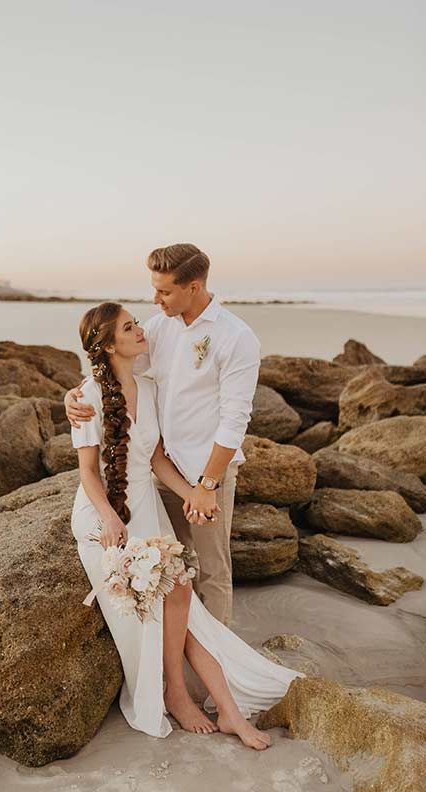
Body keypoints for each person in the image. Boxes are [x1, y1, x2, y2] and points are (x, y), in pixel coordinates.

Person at [71, 301, 304, 747]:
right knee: (177, 593)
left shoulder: (147, 386)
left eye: (137, 322)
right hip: (105, 514)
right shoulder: (87, 398)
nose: (142, 328)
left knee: (183, 601)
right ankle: (178, 695)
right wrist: (111, 521)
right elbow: (87, 473)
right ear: (108, 344)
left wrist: (195, 494)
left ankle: (227, 711)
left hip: (146, 505)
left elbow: (156, 459)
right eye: (129, 326)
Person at [66, 243, 260, 628]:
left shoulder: (235, 337)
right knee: (175, 569)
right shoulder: (157, 328)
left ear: (194, 286)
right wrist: (73, 396)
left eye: (165, 291)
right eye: (154, 289)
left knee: (212, 571)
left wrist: (206, 484)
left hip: (207, 472)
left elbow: (234, 420)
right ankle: (180, 649)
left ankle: (216, 660)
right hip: (159, 469)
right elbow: (113, 366)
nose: (155, 300)